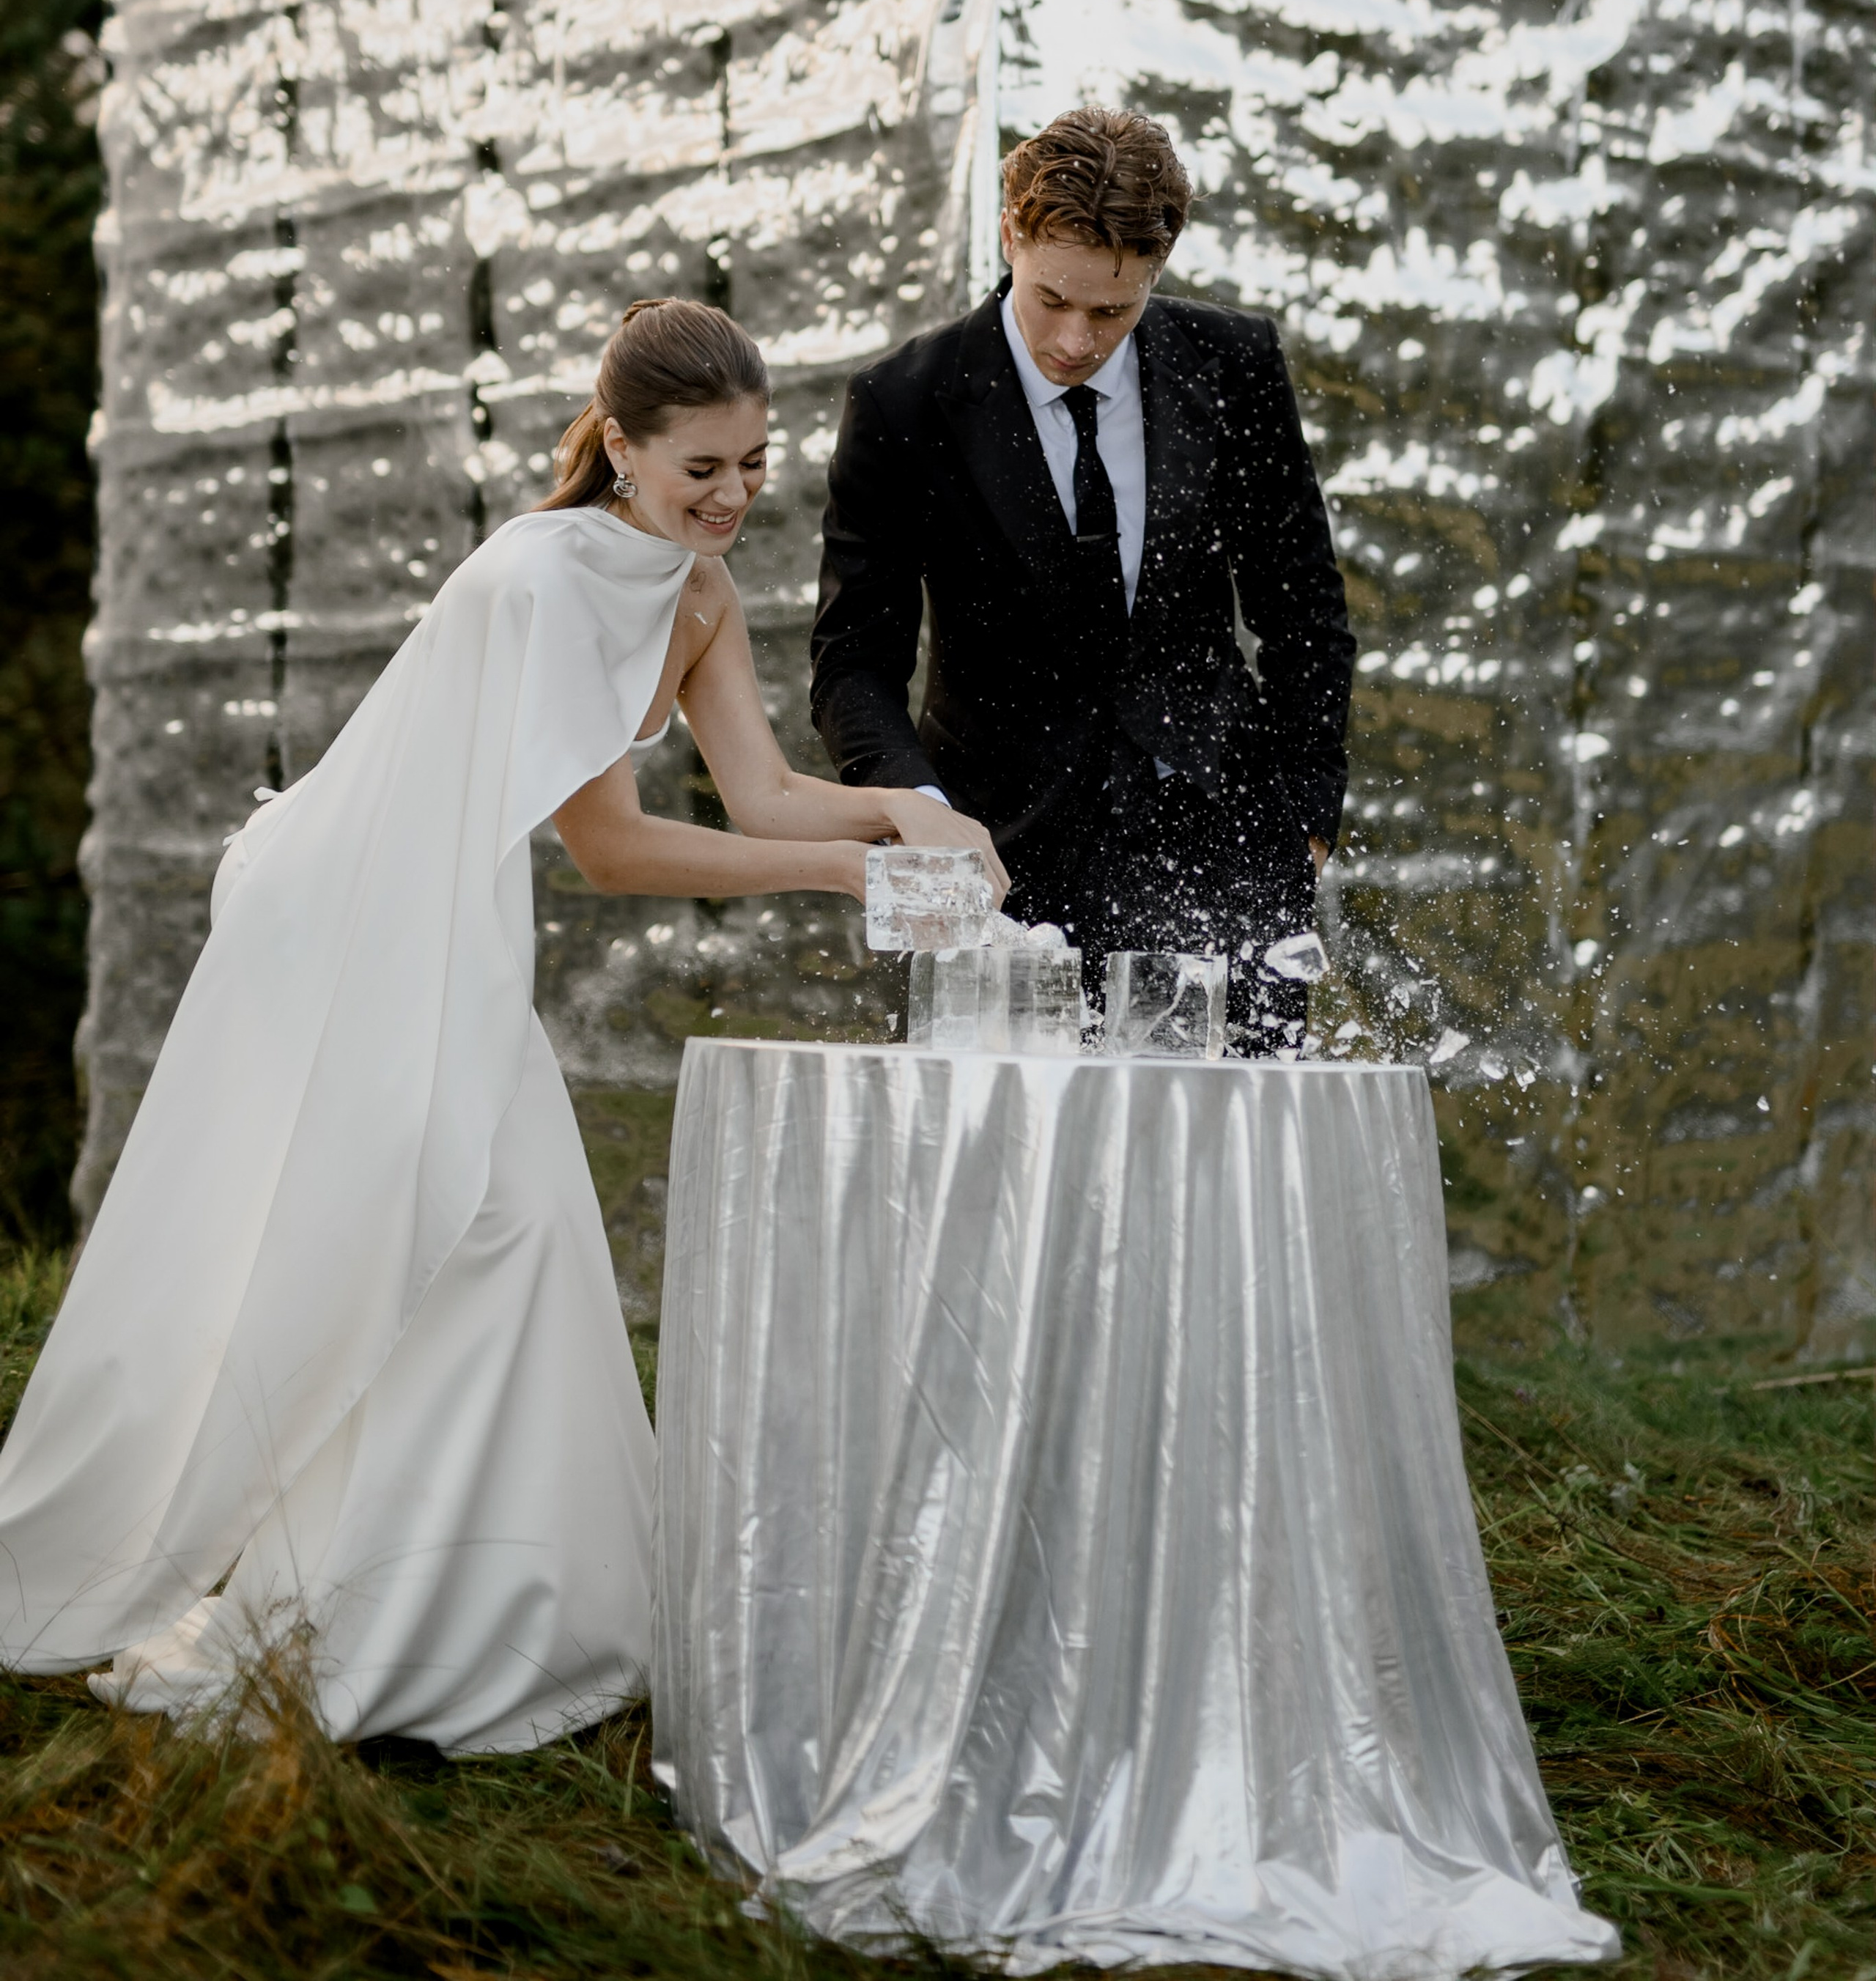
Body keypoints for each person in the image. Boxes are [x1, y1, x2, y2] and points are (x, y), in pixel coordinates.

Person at [0, 299, 1000, 1753]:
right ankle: (389, 1629)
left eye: (753, 464)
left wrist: (907, 806)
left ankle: (499, 1617)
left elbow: (762, 795)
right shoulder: (539, 579)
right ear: (622, 450)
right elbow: (612, 850)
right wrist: (857, 871)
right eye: (699, 468)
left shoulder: (697, 591)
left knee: (510, 1232)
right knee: (447, 1231)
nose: (729, 497)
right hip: (344, 925)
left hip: (441, 921)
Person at [811, 107, 1355, 1046]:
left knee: (1223, 1178)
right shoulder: (903, 401)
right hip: (999, 867)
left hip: (1228, 858)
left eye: (1112, 310)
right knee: (1011, 1182)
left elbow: (1304, 610)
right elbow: (854, 661)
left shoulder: (1235, 365)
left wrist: (1305, 818)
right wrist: (920, 817)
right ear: (1011, 235)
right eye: (1052, 298)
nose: (1075, 338)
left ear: (1160, 265)